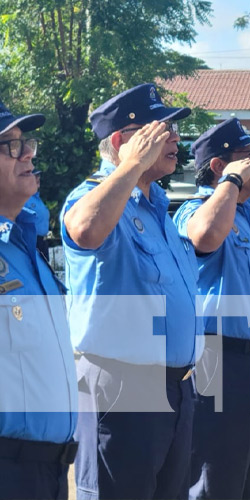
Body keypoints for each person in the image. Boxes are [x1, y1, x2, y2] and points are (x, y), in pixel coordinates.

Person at [61, 83, 202, 499]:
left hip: (176, 389)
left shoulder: (157, 203)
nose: (175, 138)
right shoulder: (92, 196)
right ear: (124, 141)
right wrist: (131, 166)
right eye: (162, 131)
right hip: (123, 391)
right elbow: (85, 229)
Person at [173, 117, 250, 500]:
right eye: (248, 155)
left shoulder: (248, 218)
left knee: (248, 473)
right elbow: (202, 235)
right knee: (215, 478)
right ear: (220, 165)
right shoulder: (197, 208)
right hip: (220, 362)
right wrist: (230, 185)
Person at [0, 100, 78, 500]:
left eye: (25, 141)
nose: (28, 153)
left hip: (49, 470)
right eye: (10, 146)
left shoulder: (23, 245)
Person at [24, 170, 50, 260]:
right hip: (30, 242)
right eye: (35, 177)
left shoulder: (37, 199)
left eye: (38, 177)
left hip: (42, 242)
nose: (38, 179)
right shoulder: (23, 197)